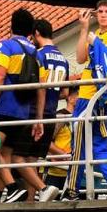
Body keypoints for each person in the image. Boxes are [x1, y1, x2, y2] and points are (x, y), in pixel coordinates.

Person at [0, 9, 53, 203]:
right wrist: (38, 119)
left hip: (5, 108)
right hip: (23, 113)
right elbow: (41, 88)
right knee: (5, 154)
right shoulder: (35, 53)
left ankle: (13, 189)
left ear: (11, 24)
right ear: (31, 29)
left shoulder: (7, 46)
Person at [63, 8, 107, 200]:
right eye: (99, 11)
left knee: (79, 145)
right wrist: (83, 29)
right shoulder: (96, 33)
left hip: (94, 96)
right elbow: (81, 58)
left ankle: (73, 189)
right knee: (98, 145)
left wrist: (96, 43)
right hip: (93, 96)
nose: (103, 15)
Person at [30, 19, 69, 199]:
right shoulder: (64, 60)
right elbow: (65, 91)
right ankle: (36, 195)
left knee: (27, 158)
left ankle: (33, 197)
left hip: (35, 112)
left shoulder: (38, 55)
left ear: (37, 33)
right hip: (52, 112)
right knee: (36, 159)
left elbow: (36, 84)